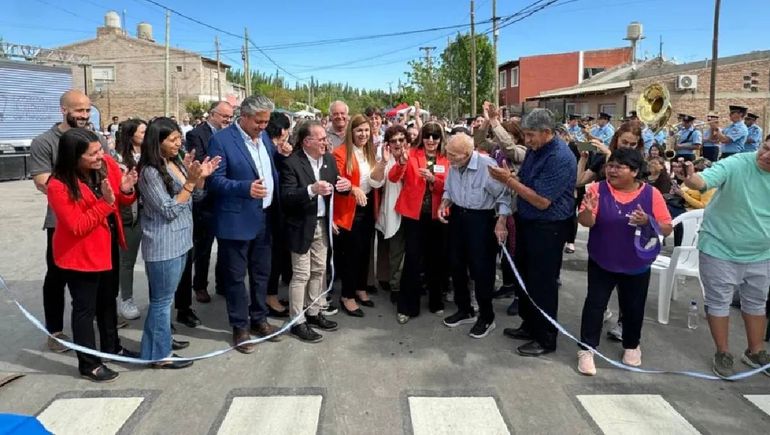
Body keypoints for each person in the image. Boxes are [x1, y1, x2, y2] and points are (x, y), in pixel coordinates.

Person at [47, 128, 139, 382]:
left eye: (100, 149)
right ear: (74, 156)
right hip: (80, 255)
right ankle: (88, 363)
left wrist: (127, 190)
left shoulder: (104, 165)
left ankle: (112, 346)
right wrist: (106, 203)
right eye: (93, 153)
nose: (101, 155)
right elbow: (76, 225)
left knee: (108, 300)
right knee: (85, 309)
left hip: (107, 245)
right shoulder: (58, 185)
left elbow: (119, 199)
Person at [575, 148, 673, 375]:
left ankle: (632, 345)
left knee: (633, 307)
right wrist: (588, 211)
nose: (612, 170)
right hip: (602, 259)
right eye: (610, 165)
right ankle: (587, 348)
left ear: (635, 171)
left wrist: (648, 220)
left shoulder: (651, 194)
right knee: (595, 304)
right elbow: (586, 222)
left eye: (619, 167)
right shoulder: (597, 189)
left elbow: (667, 228)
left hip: (636, 262)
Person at [681, 135, 770, 379]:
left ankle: (755, 351)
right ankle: (723, 352)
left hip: (762, 253)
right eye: (765, 148)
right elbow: (705, 180)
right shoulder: (737, 163)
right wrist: (692, 179)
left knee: (756, 302)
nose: (765, 155)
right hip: (720, 247)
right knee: (719, 301)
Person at [492, 108, 576, 356]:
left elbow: (541, 200)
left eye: (531, 135)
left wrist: (508, 180)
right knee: (525, 278)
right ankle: (529, 325)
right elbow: (526, 179)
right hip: (527, 221)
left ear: (547, 133)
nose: (526, 141)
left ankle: (546, 337)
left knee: (543, 283)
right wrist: (514, 177)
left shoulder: (560, 157)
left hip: (549, 226)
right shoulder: (535, 150)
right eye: (526, 135)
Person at [137, 117, 218, 368]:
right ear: (157, 142)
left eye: (178, 137)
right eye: (172, 139)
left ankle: (159, 343)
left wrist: (201, 177)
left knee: (165, 300)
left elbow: (197, 195)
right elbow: (168, 209)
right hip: (163, 244)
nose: (178, 142)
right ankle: (160, 355)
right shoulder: (150, 172)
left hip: (182, 240)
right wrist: (191, 182)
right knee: (161, 302)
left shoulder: (174, 164)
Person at [207, 95, 283, 354]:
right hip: (236, 220)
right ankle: (240, 326)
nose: (263, 126)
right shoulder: (221, 140)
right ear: (244, 116)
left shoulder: (264, 140)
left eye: (266, 122)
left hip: (264, 217)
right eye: (259, 121)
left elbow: (271, 171)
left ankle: (259, 319)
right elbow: (214, 181)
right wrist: (244, 188)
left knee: (262, 273)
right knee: (236, 277)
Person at [29, 90, 94, 352]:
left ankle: (97, 320)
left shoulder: (93, 137)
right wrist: (83, 195)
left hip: (94, 219)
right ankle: (55, 331)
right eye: (79, 110)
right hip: (61, 223)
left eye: (88, 110)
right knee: (57, 277)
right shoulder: (44, 142)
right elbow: (43, 182)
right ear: (63, 110)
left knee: (94, 277)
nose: (84, 115)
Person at [280, 120, 352, 343]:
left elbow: (335, 186)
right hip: (301, 226)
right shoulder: (291, 163)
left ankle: (313, 312)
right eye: (321, 139)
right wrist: (311, 189)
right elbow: (287, 197)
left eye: (325, 138)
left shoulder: (328, 160)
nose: (325, 142)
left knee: (319, 270)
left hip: (322, 224)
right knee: (301, 274)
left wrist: (345, 187)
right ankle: (297, 321)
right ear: (306, 141)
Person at [439, 133, 511, 338]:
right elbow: (449, 189)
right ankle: (465, 309)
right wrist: (446, 201)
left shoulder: (487, 166)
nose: (449, 158)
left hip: (481, 220)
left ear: (468, 154)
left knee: (482, 270)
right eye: (448, 153)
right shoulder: (454, 165)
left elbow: (504, 195)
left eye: (453, 155)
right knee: (456, 265)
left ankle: (487, 317)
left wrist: (502, 220)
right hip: (458, 218)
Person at [390, 122, 450, 324]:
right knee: (413, 259)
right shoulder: (412, 154)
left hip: (437, 215)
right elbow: (393, 178)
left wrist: (434, 180)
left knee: (436, 259)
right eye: (427, 136)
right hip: (414, 216)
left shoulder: (446, 158)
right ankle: (407, 306)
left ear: (441, 139)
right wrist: (400, 162)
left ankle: (436, 301)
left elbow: (449, 186)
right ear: (421, 137)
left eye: (435, 137)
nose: (431, 140)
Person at [332, 114, 387, 317]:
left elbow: (374, 181)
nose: (363, 134)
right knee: (351, 254)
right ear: (351, 132)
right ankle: (347, 295)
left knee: (365, 251)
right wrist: (354, 188)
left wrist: (382, 166)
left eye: (366, 130)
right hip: (350, 208)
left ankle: (360, 288)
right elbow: (337, 180)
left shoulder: (370, 152)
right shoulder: (340, 153)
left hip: (368, 205)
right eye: (359, 130)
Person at [186, 101, 234, 302]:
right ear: (212, 114)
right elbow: (203, 161)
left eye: (230, 117)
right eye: (224, 116)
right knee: (203, 247)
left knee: (226, 245)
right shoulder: (196, 134)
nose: (228, 120)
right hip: (204, 196)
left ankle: (223, 284)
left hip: (224, 196)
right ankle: (200, 286)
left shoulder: (231, 134)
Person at [114, 119, 147, 321]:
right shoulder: (118, 158)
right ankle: (126, 298)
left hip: (152, 213)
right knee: (127, 261)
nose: (146, 135)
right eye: (142, 132)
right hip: (131, 215)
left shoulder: (152, 154)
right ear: (130, 134)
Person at [264, 111, 294, 317]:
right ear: (282, 130)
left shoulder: (275, 147)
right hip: (270, 210)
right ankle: (269, 297)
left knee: (279, 253)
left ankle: (271, 294)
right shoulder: (268, 147)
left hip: (280, 209)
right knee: (271, 256)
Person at [375, 125, 409, 304]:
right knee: (396, 252)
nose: (398, 144)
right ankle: (396, 287)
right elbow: (376, 182)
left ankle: (407, 284)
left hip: (412, 211)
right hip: (392, 210)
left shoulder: (414, 157)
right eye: (393, 140)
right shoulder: (384, 159)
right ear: (387, 144)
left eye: (401, 140)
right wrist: (384, 162)